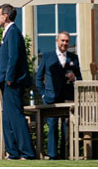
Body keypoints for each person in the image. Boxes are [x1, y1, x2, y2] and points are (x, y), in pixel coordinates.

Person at [0, 3, 35, 160]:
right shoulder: (7, 33)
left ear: (6, 16)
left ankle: (27, 152)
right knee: (8, 117)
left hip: (12, 82)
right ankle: (13, 152)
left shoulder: (13, 32)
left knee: (15, 116)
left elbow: (14, 57)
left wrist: (9, 78)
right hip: (6, 81)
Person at [35, 31, 82, 160]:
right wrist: (43, 95)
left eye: (67, 41)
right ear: (57, 41)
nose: (64, 43)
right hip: (51, 97)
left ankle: (66, 154)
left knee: (67, 126)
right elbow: (38, 78)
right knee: (52, 126)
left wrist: (75, 79)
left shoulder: (74, 58)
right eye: (62, 40)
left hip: (68, 97)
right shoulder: (47, 56)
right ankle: (52, 155)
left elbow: (80, 78)